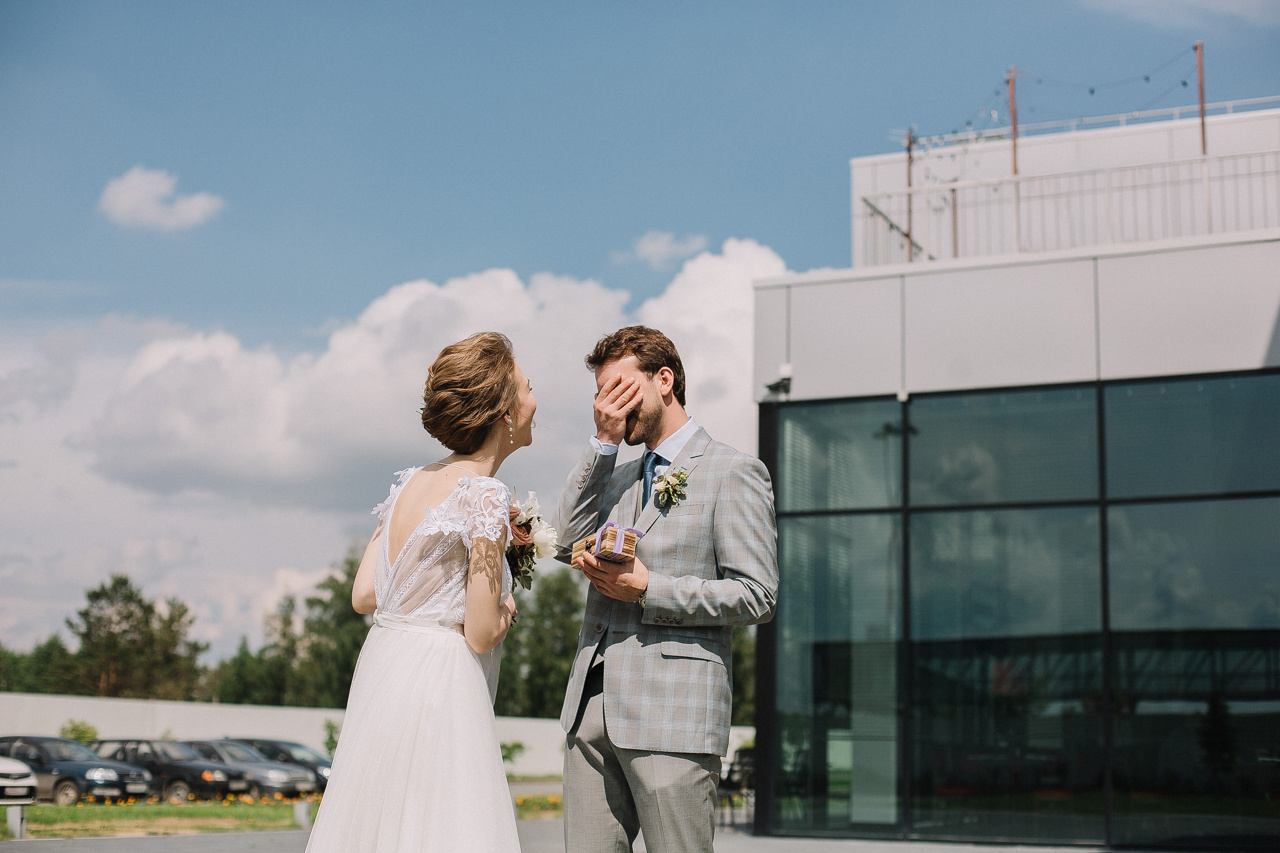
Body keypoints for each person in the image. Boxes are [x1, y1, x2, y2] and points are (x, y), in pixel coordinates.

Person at [306, 331, 533, 853]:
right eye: (527, 387)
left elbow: (365, 595)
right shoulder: (485, 493)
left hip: (387, 668)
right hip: (440, 682)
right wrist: (506, 610)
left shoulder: (410, 482)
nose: (533, 400)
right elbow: (478, 633)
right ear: (504, 410)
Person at [555, 325, 779, 853]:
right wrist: (602, 444)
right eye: (599, 393)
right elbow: (564, 542)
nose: (606, 404)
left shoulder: (733, 471)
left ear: (664, 380)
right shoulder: (613, 473)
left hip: (673, 717)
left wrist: (649, 588)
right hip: (590, 713)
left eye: (618, 388)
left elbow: (757, 594)